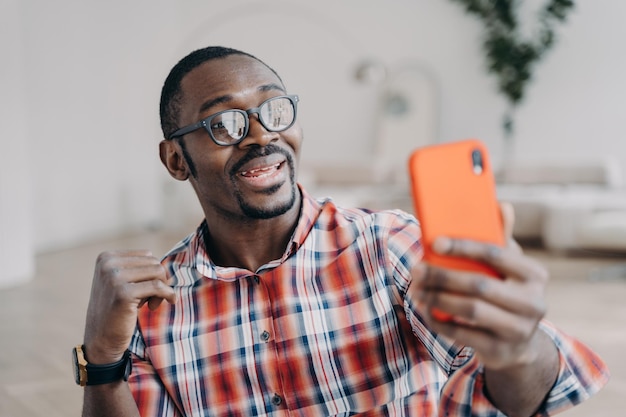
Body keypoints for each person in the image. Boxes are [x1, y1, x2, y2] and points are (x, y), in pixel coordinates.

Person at [74, 46, 609, 417]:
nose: (262, 135)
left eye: (274, 109)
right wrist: (100, 359)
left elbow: (531, 396)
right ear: (175, 159)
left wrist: (516, 348)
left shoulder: (392, 248)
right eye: (224, 123)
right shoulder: (149, 305)